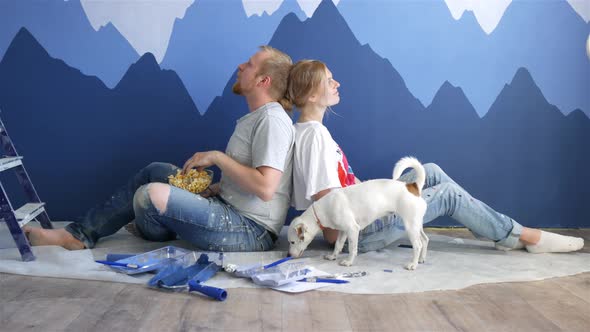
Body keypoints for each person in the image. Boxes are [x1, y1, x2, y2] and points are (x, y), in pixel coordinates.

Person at [286, 59, 584, 254]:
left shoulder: (310, 131)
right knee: (448, 195)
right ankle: (525, 236)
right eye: (329, 81)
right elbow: (326, 203)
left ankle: (508, 232)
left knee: (430, 170)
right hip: (359, 232)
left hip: (365, 213)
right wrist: (365, 218)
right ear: (312, 95)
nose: (337, 84)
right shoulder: (314, 136)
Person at [24, 46, 295, 252]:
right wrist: (214, 189)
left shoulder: (272, 120)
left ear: (263, 81)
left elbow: (265, 188)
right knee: (157, 171)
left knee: (148, 196)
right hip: (228, 208)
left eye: (249, 65)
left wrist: (217, 157)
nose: (240, 66)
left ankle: (155, 226)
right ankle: (78, 235)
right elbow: (250, 178)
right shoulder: (260, 117)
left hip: (250, 230)